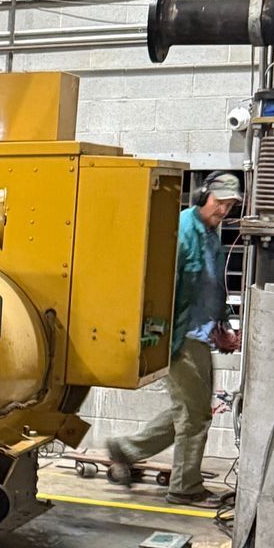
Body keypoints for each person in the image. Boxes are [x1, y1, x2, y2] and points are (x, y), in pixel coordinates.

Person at [106, 173, 242, 503]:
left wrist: (221, 324)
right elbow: (161, 284)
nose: (223, 210)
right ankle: (185, 487)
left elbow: (211, 284)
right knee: (195, 415)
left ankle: (125, 449)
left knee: (189, 409)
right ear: (203, 196)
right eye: (219, 202)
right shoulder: (182, 230)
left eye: (229, 205)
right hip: (179, 336)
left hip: (200, 334)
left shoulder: (210, 235)